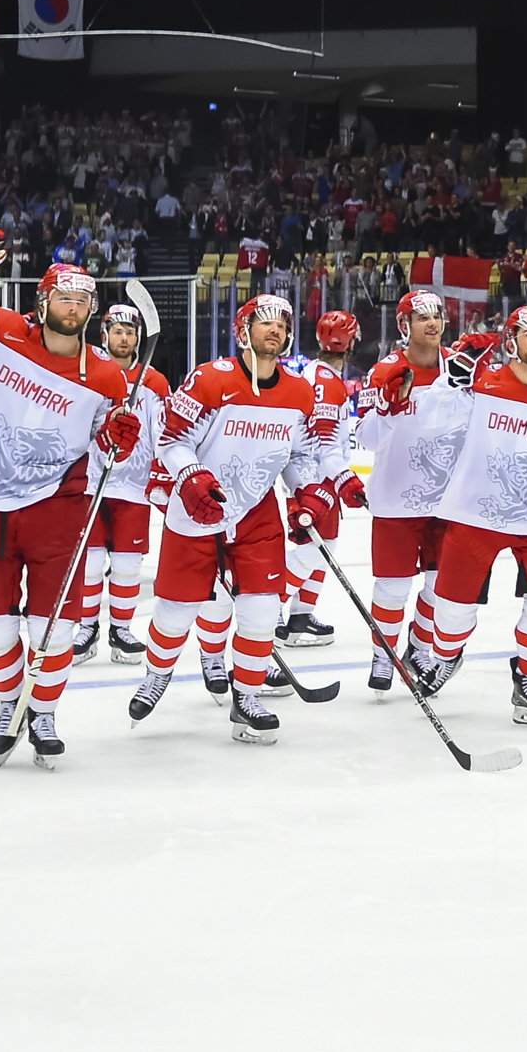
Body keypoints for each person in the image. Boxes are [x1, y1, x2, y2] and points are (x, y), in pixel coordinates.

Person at [0, 233, 137, 768]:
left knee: (55, 628)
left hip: (59, 509)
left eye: (84, 301)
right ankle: (11, 699)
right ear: (42, 302)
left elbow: (110, 446)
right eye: (65, 297)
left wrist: (117, 439)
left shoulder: (106, 376)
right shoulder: (6, 332)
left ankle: (44, 713)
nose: (74, 308)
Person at [380, 305, 527, 727]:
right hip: (475, 514)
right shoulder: (482, 382)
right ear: (511, 341)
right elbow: (434, 417)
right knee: (452, 613)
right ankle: (444, 655)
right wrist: (455, 377)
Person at [126, 295, 326, 743]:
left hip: (256, 515)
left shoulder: (298, 392)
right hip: (198, 512)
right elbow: (171, 440)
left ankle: (247, 696)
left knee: (261, 611)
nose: (274, 330)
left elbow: (298, 456)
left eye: (282, 324)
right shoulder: (210, 379)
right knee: (176, 614)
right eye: (264, 323)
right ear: (243, 331)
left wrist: (305, 492)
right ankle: (157, 674)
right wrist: (192, 475)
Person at [354, 290, 453, 693]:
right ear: (405, 326)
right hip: (396, 499)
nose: (432, 323)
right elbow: (365, 438)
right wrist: (389, 410)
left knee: (439, 585)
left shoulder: (458, 370)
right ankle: (383, 654)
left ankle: (419, 647)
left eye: (438, 316)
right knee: (392, 587)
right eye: (422, 317)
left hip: (448, 499)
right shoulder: (383, 371)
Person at [72, 304, 173, 667]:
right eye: (118, 331)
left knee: (129, 563)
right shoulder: (91, 373)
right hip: (91, 482)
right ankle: (86, 629)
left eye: (130, 332)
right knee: (91, 563)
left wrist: (164, 473)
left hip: (133, 485)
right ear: (105, 335)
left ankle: (121, 630)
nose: (125, 337)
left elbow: (165, 433)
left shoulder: (155, 382)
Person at [277, 309, 368, 650]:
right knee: (314, 552)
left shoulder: (312, 373)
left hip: (309, 475)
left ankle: (301, 617)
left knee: (319, 548)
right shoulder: (329, 383)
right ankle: (271, 612)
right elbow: (327, 444)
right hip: (318, 478)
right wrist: (344, 479)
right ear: (352, 343)